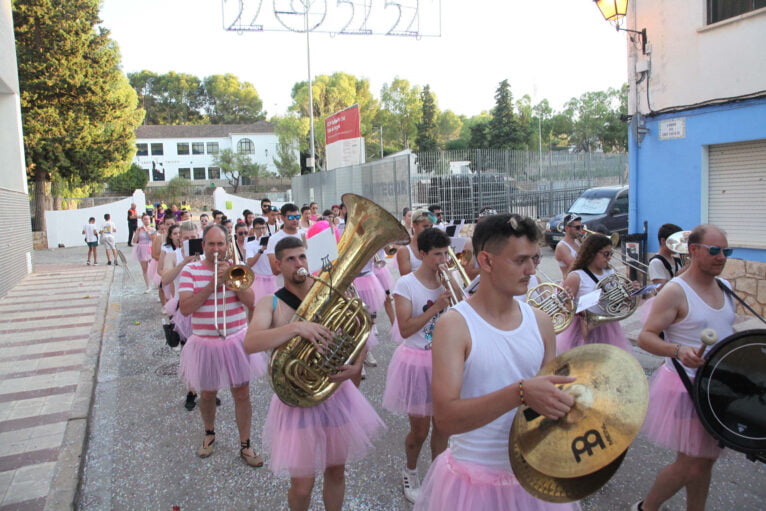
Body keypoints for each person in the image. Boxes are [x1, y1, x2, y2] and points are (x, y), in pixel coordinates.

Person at [414, 214, 578, 511]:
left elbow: (549, 404)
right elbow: (446, 419)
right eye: (520, 261)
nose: (531, 270)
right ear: (486, 262)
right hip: (474, 482)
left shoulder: (541, 322)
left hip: (534, 475)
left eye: (535, 259)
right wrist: (520, 393)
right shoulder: (455, 325)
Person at [243, 237, 385, 511]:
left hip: (335, 395)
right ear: (278, 264)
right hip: (297, 400)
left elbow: (361, 327)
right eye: (290, 259)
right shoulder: (269, 302)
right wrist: (296, 329)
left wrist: (357, 364)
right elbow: (251, 342)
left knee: (336, 472)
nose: (298, 264)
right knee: (302, 485)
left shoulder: (329, 292)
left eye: (302, 257)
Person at [633, 225, 736, 511]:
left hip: (715, 388)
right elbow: (646, 336)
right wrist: (678, 350)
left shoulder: (726, 288)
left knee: (706, 459)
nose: (721, 257)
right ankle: (646, 508)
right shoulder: (676, 291)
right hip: (684, 387)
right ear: (693, 250)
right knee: (691, 462)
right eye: (714, 251)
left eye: (726, 251)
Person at [177, 224, 265, 467]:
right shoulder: (190, 271)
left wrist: (232, 283)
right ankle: (209, 433)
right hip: (205, 342)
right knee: (207, 393)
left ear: (227, 246)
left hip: (236, 339)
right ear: (203, 245)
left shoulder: (236, 269)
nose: (216, 249)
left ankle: (245, 444)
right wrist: (211, 285)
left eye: (221, 244)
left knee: (242, 393)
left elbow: (251, 302)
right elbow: (185, 308)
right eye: (211, 244)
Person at [383, 228, 452, 503]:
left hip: (445, 358)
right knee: (420, 429)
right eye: (437, 254)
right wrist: (435, 307)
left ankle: (438, 477)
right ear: (422, 254)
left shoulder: (450, 279)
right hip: (416, 360)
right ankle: (410, 471)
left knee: (444, 426)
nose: (444, 260)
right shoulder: (406, 285)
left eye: (446, 253)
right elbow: (404, 328)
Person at [557, 234, 636, 354]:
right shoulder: (576, 276)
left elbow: (616, 300)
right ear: (592, 253)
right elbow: (565, 308)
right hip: (584, 329)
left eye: (611, 254)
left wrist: (629, 292)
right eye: (606, 254)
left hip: (608, 325)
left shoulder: (610, 272)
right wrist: (578, 312)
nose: (609, 258)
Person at [265, 203, 303, 286]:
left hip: (305, 284)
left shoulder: (305, 235)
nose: (295, 220)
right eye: (290, 217)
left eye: (297, 217)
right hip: (284, 286)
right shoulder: (274, 239)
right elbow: (275, 269)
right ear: (282, 218)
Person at [245, 217, 276, 302]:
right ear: (254, 230)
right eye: (258, 228)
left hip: (273, 279)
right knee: (258, 305)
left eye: (263, 228)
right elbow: (249, 263)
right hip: (259, 280)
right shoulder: (250, 245)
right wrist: (261, 250)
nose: (261, 231)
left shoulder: (272, 242)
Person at [396, 209, 434, 276]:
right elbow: (407, 280)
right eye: (425, 226)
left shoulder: (435, 246)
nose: (429, 230)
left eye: (431, 226)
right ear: (414, 225)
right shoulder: (404, 250)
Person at [648, 223, 685, 287]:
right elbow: (661, 288)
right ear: (663, 241)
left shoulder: (677, 260)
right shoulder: (656, 262)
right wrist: (682, 272)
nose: (679, 245)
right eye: (675, 242)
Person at [132, 213, 156, 292]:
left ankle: (156, 283)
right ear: (142, 220)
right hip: (141, 248)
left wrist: (147, 230)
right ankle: (148, 286)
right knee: (144, 269)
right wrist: (137, 232)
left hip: (150, 248)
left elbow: (153, 239)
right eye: (145, 219)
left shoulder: (152, 229)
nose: (147, 221)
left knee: (153, 266)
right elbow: (134, 241)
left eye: (148, 219)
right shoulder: (139, 229)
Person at [555, 213, 583, 279]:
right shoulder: (561, 246)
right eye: (577, 227)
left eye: (582, 227)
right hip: (571, 282)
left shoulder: (578, 241)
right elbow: (576, 266)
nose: (581, 230)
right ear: (567, 228)